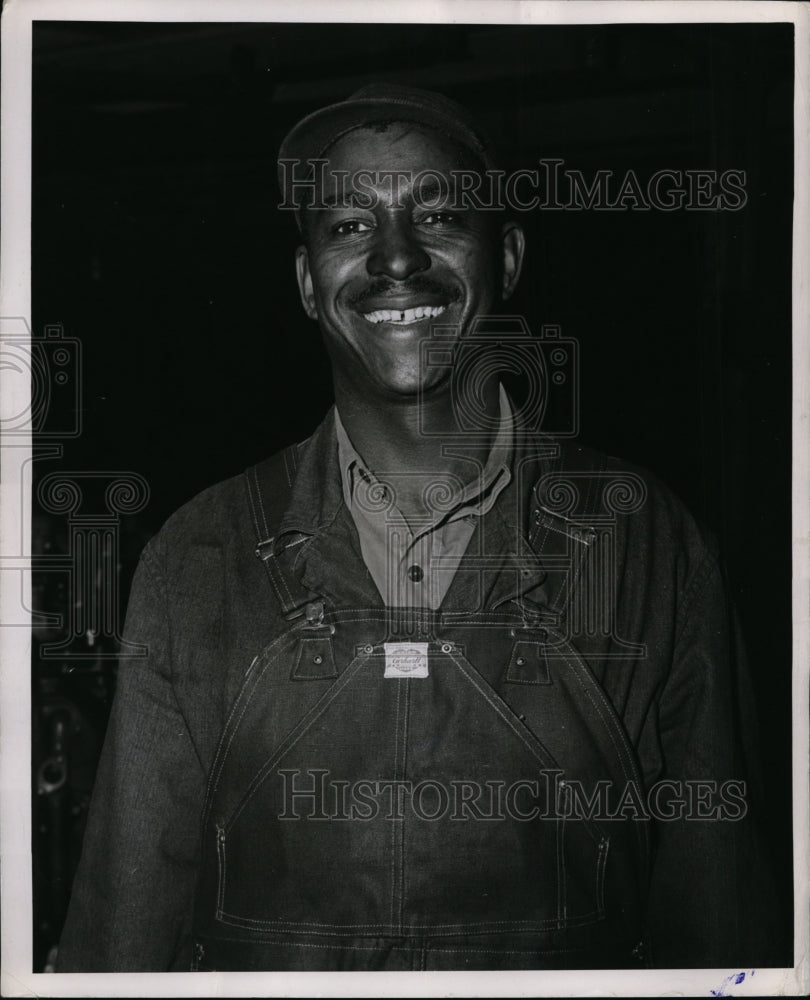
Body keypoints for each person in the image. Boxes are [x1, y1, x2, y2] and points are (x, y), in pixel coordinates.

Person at [56, 83, 779, 972]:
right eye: (349, 227)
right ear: (308, 284)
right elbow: (123, 938)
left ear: (505, 257)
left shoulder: (651, 547)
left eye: (438, 216)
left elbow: (721, 931)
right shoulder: (199, 556)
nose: (396, 259)